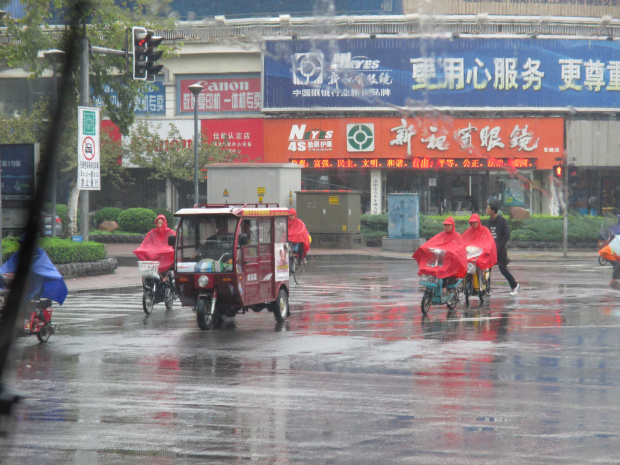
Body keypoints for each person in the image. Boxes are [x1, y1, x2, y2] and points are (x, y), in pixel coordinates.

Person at [0, 233, 68, 305]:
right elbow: (8, 266)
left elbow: (42, 266)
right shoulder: (19, 254)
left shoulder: (39, 252)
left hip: (33, 283)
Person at [486, 202, 519, 296]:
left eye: (488, 208)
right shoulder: (489, 221)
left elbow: (506, 235)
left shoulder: (502, 220)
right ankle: (487, 289)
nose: (486, 210)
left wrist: (498, 245)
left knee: (503, 269)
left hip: (500, 251)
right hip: (490, 251)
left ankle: (514, 286)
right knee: (487, 270)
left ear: (493, 210)